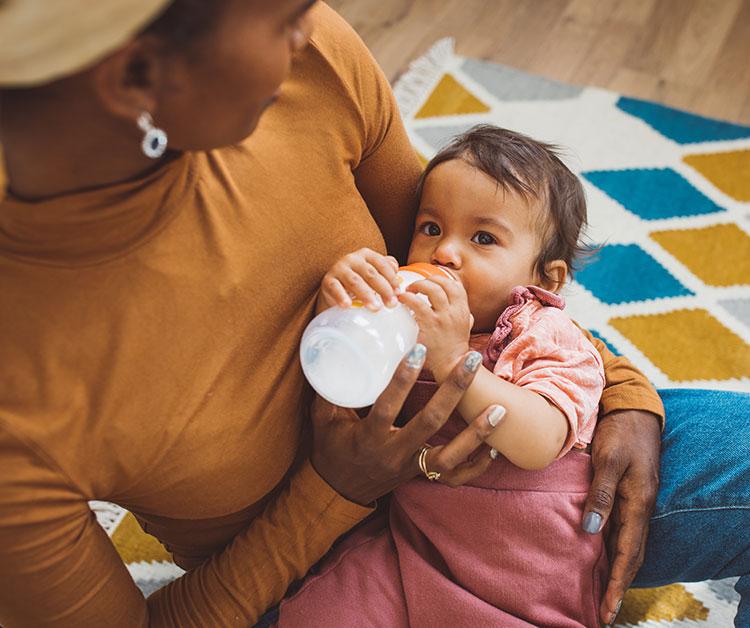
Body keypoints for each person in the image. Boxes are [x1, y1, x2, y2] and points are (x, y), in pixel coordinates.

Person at [0, 1, 746, 627]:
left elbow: (484, 276)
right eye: (284, 16)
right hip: (315, 572)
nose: (308, 27)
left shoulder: (309, 63)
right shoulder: (20, 397)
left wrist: (620, 391)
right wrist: (334, 491)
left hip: (512, 487)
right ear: (137, 75)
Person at [280, 125, 611, 626]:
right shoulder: (402, 318)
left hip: (522, 572)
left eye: (483, 238)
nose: (445, 253)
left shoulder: (544, 330)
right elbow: (354, 402)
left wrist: (457, 361)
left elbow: (541, 440)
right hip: (415, 547)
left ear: (546, 276)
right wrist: (341, 312)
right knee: (320, 614)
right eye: (431, 227)